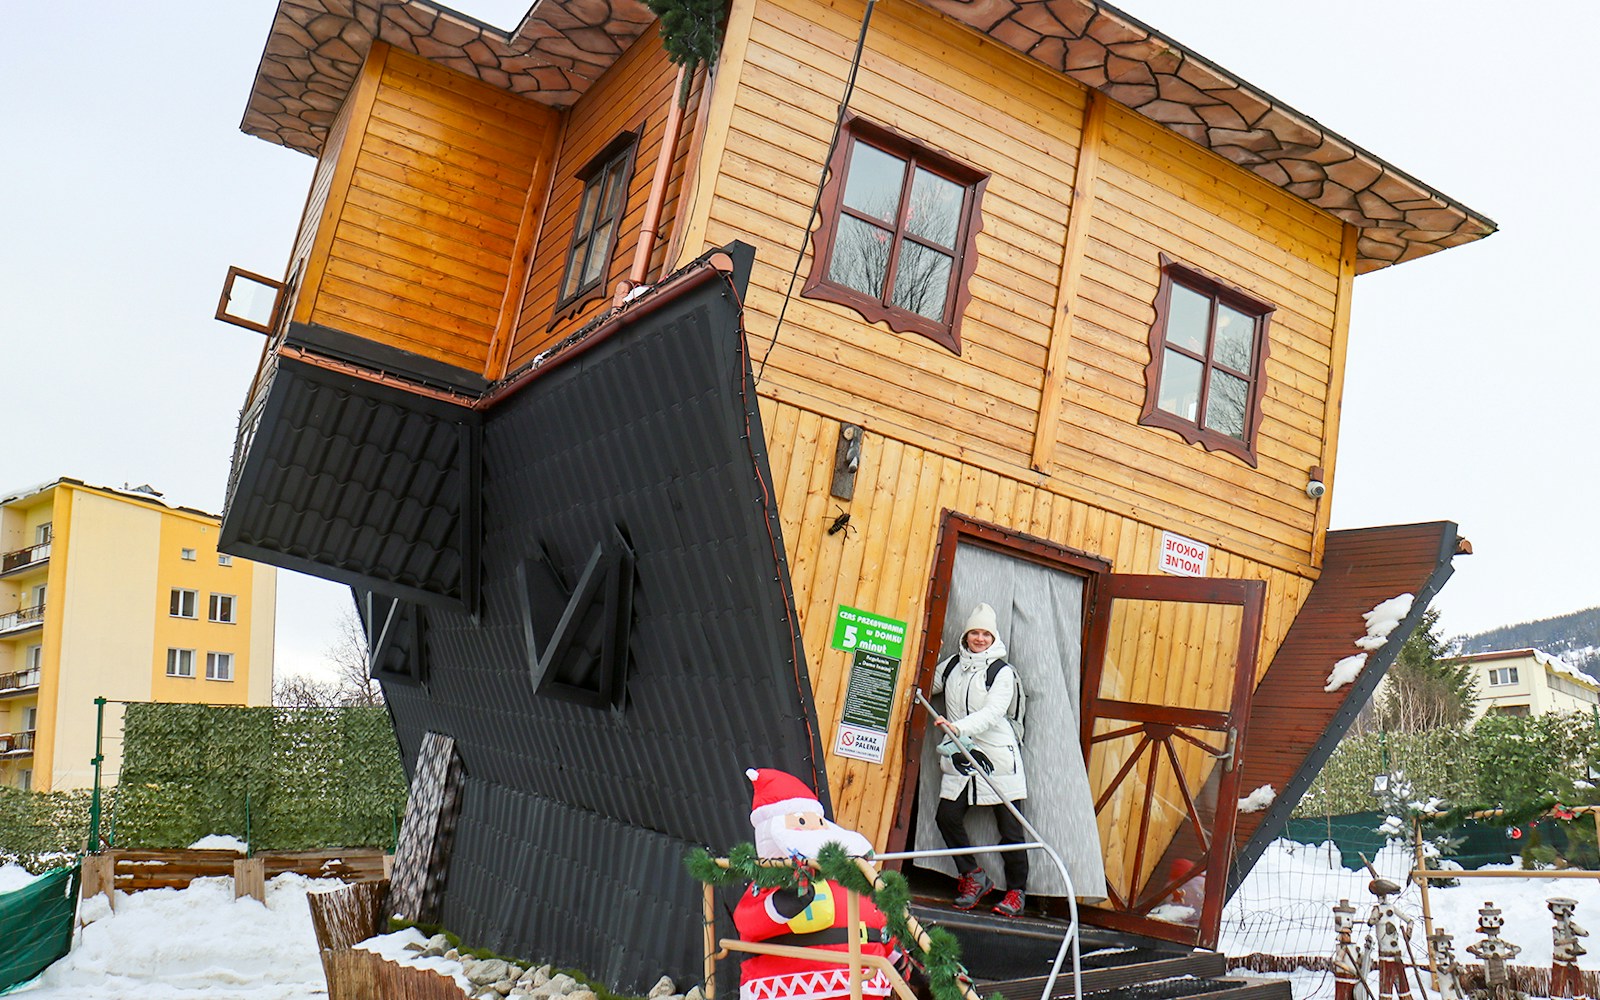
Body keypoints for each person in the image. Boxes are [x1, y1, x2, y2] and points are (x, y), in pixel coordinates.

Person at [930, 602, 1028, 917]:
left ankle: (1016, 892)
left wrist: (956, 727)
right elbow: (928, 684)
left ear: (993, 636)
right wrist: (931, 652)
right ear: (967, 634)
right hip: (962, 753)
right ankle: (973, 876)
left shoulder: (1002, 672)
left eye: (986, 633)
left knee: (1010, 829)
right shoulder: (952, 666)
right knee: (947, 816)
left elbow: (992, 713)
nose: (980, 638)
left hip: (997, 756)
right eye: (975, 632)